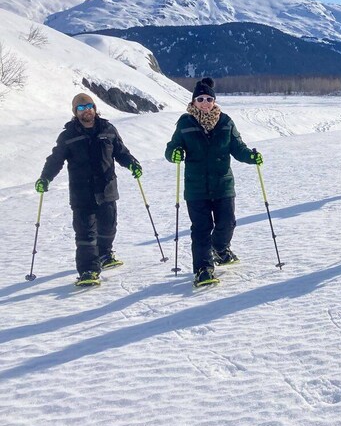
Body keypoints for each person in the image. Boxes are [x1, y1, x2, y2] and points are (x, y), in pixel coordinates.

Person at [164, 77, 263, 287]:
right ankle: (203, 269)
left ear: (214, 101)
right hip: (196, 188)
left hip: (223, 185)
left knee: (227, 223)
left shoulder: (226, 122)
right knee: (201, 229)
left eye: (209, 98)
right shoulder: (185, 123)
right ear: (193, 102)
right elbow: (171, 148)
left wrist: (251, 157)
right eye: (200, 99)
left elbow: (238, 148)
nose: (205, 103)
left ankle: (219, 248)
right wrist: (174, 154)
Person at [36, 93, 142, 286]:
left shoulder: (108, 129)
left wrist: (132, 164)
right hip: (81, 192)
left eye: (90, 107)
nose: (87, 111)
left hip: (107, 188)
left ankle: (105, 253)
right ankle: (88, 271)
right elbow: (55, 160)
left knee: (108, 228)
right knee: (85, 234)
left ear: (95, 108)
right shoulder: (68, 136)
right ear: (75, 112)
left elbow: (121, 152)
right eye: (82, 108)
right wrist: (45, 178)